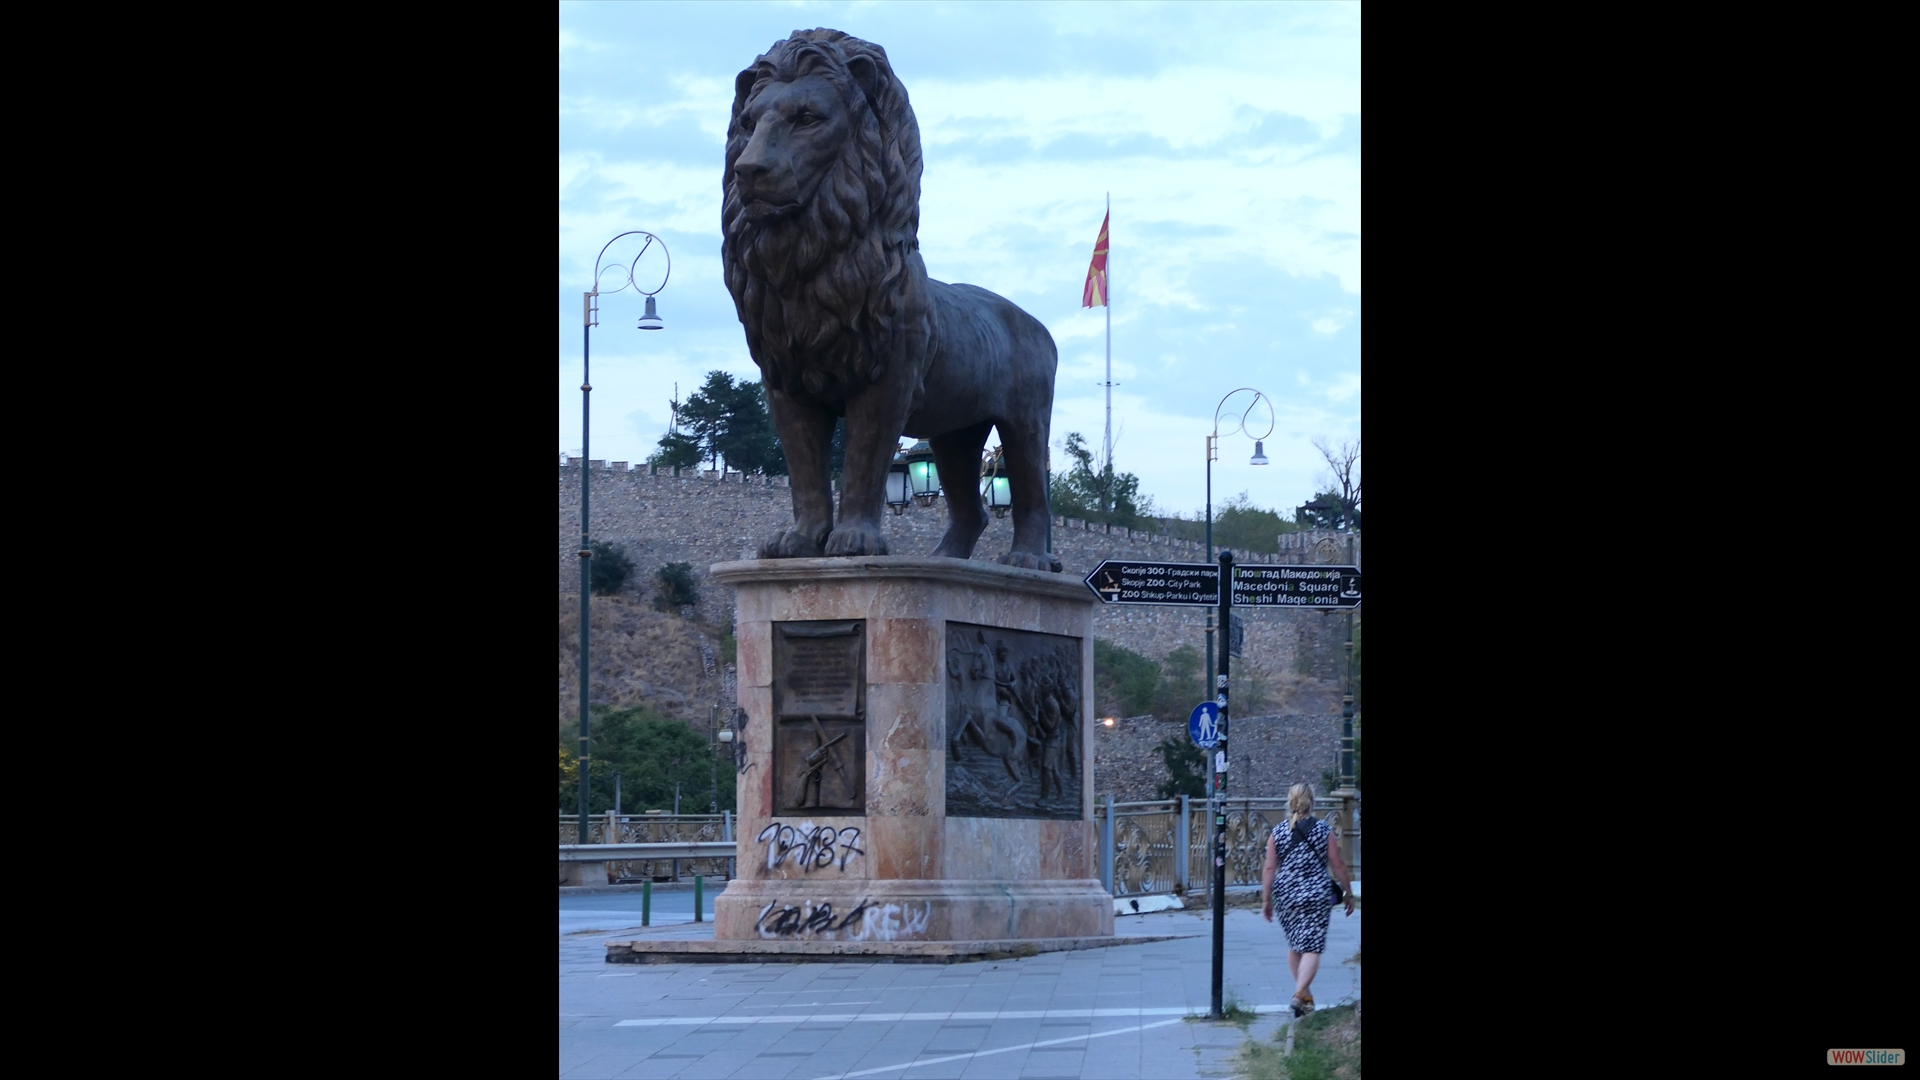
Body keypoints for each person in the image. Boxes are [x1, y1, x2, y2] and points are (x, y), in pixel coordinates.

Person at [1261, 782, 1355, 1016]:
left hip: (1286, 896)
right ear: (1312, 802)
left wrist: (1266, 899)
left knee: (1295, 946)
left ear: (1290, 802)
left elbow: (1270, 867)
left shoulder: (1278, 832)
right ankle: (1298, 994)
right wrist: (1348, 893)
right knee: (1312, 947)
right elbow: (1338, 864)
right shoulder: (1323, 830)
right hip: (1316, 895)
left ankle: (1306, 997)